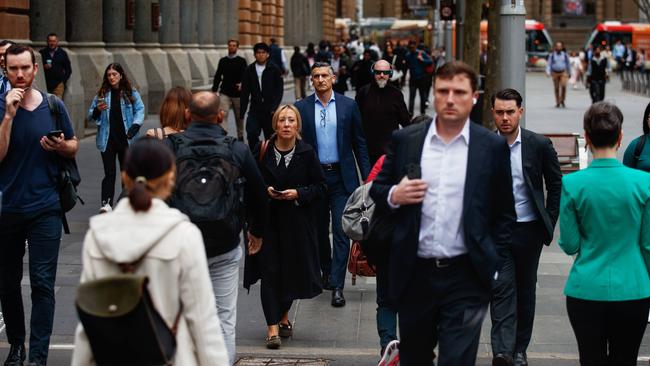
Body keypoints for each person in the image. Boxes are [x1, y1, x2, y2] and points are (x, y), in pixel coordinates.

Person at [369, 61, 515, 365]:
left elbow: (504, 213)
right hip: (415, 273)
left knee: (458, 360)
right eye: (443, 91)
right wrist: (396, 194)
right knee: (416, 357)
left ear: (473, 96)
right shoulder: (406, 140)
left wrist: (494, 264)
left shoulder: (491, 147)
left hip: (467, 276)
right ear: (433, 95)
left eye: (459, 92)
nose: (450, 98)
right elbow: (377, 191)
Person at [71, 138, 230, 366]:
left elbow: (89, 316)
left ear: (124, 177)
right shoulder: (183, 235)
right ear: (170, 180)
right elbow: (202, 320)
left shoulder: (98, 235)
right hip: (171, 356)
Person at [166, 91, 268, 365]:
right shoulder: (236, 149)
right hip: (224, 245)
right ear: (221, 116)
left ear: (187, 115)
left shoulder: (171, 147)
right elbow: (260, 195)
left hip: (181, 248)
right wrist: (256, 232)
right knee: (223, 319)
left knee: (181, 317)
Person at [0, 43, 79, 366]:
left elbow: (73, 146)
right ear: (5, 70)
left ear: (35, 69)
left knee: (43, 283)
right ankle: (17, 346)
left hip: (46, 206)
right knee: (7, 283)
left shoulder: (53, 105)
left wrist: (61, 145)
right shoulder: (1, 106)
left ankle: (38, 356)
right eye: (13, 69)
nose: (20, 74)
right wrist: (8, 116)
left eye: (25, 68)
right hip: (7, 209)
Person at [559, 101, 650, 365]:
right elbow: (647, 244)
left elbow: (569, 243)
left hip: (586, 288)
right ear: (620, 137)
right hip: (633, 287)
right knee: (626, 359)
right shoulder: (644, 182)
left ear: (586, 137)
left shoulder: (572, 183)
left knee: (591, 358)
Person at [490, 88, 562, 366]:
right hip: (497, 233)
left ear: (520, 111)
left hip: (528, 231)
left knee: (525, 291)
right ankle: (502, 351)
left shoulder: (538, 144)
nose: (505, 118)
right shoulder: (483, 145)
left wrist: (549, 221)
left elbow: (555, 185)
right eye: (500, 112)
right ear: (493, 113)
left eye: (510, 112)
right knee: (501, 289)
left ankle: (520, 349)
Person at [245, 104, 326, 349]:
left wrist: (298, 193)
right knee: (270, 275)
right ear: (276, 125)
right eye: (282, 120)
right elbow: (248, 185)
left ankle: (283, 316)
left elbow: (320, 187)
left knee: (291, 274)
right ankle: (272, 329)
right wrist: (265, 192)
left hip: (296, 225)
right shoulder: (262, 151)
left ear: (297, 125)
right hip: (267, 224)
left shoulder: (307, 152)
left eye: (291, 120)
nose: (287, 124)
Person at [294, 62, 371, 307]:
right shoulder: (302, 108)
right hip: (314, 179)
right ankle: (326, 271)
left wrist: (367, 179)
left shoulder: (348, 106)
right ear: (311, 80)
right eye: (316, 76)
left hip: (341, 177)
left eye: (325, 75)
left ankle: (337, 284)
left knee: (341, 231)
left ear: (334, 77)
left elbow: (359, 142)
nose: (320, 80)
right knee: (317, 231)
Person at [88, 62, 145, 213]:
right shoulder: (102, 94)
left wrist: (135, 126)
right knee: (109, 172)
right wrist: (97, 111)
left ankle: (126, 203)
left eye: (114, 74)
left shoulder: (130, 93)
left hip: (126, 139)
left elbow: (140, 109)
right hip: (107, 140)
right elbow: (91, 116)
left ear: (121, 75)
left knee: (126, 172)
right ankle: (106, 204)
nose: (111, 77)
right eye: (109, 75)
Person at [355, 59, 411, 165]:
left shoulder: (396, 94)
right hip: (368, 151)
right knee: (369, 181)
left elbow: (405, 121)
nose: (381, 75)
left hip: (389, 151)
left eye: (385, 72)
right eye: (378, 72)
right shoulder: (363, 92)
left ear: (390, 74)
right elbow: (355, 119)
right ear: (373, 73)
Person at [240, 42, 284, 150]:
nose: (260, 55)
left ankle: (270, 156)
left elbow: (279, 90)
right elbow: (245, 92)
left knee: (271, 136)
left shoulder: (274, 69)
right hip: (255, 109)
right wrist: (242, 111)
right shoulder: (249, 70)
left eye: (263, 52)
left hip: (270, 110)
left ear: (267, 54)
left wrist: (274, 107)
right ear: (254, 55)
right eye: (258, 53)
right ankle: (255, 155)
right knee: (251, 133)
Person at [212, 39, 247, 141]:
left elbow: (246, 76)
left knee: (239, 117)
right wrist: (214, 90)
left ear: (237, 47)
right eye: (230, 45)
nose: (231, 47)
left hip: (238, 94)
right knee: (223, 114)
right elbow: (218, 75)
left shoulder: (242, 61)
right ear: (227, 47)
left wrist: (242, 84)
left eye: (234, 45)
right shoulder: (223, 61)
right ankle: (223, 136)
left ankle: (240, 136)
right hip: (225, 93)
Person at [38, 33, 71, 99]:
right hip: (45, 84)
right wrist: (44, 67)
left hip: (58, 85)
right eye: (50, 41)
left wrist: (62, 81)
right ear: (47, 42)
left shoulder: (62, 53)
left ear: (57, 42)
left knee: (57, 104)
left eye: (54, 41)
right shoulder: (42, 53)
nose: (52, 43)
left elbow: (68, 70)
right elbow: (37, 68)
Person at [404, 40, 433, 116]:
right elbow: (406, 66)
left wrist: (422, 60)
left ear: (415, 46)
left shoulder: (421, 53)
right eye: (410, 47)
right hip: (413, 79)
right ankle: (410, 113)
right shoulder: (407, 55)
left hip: (422, 78)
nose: (412, 48)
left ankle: (423, 112)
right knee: (412, 96)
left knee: (422, 96)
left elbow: (430, 61)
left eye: (413, 47)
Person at [546, 41, 571, 108]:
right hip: (555, 73)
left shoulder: (565, 55)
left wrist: (570, 72)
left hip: (563, 72)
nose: (559, 47)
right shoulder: (552, 55)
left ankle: (562, 100)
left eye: (560, 46)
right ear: (555, 47)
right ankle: (558, 102)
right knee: (556, 88)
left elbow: (568, 64)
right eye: (557, 46)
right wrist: (548, 72)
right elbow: (549, 64)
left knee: (563, 86)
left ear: (562, 47)